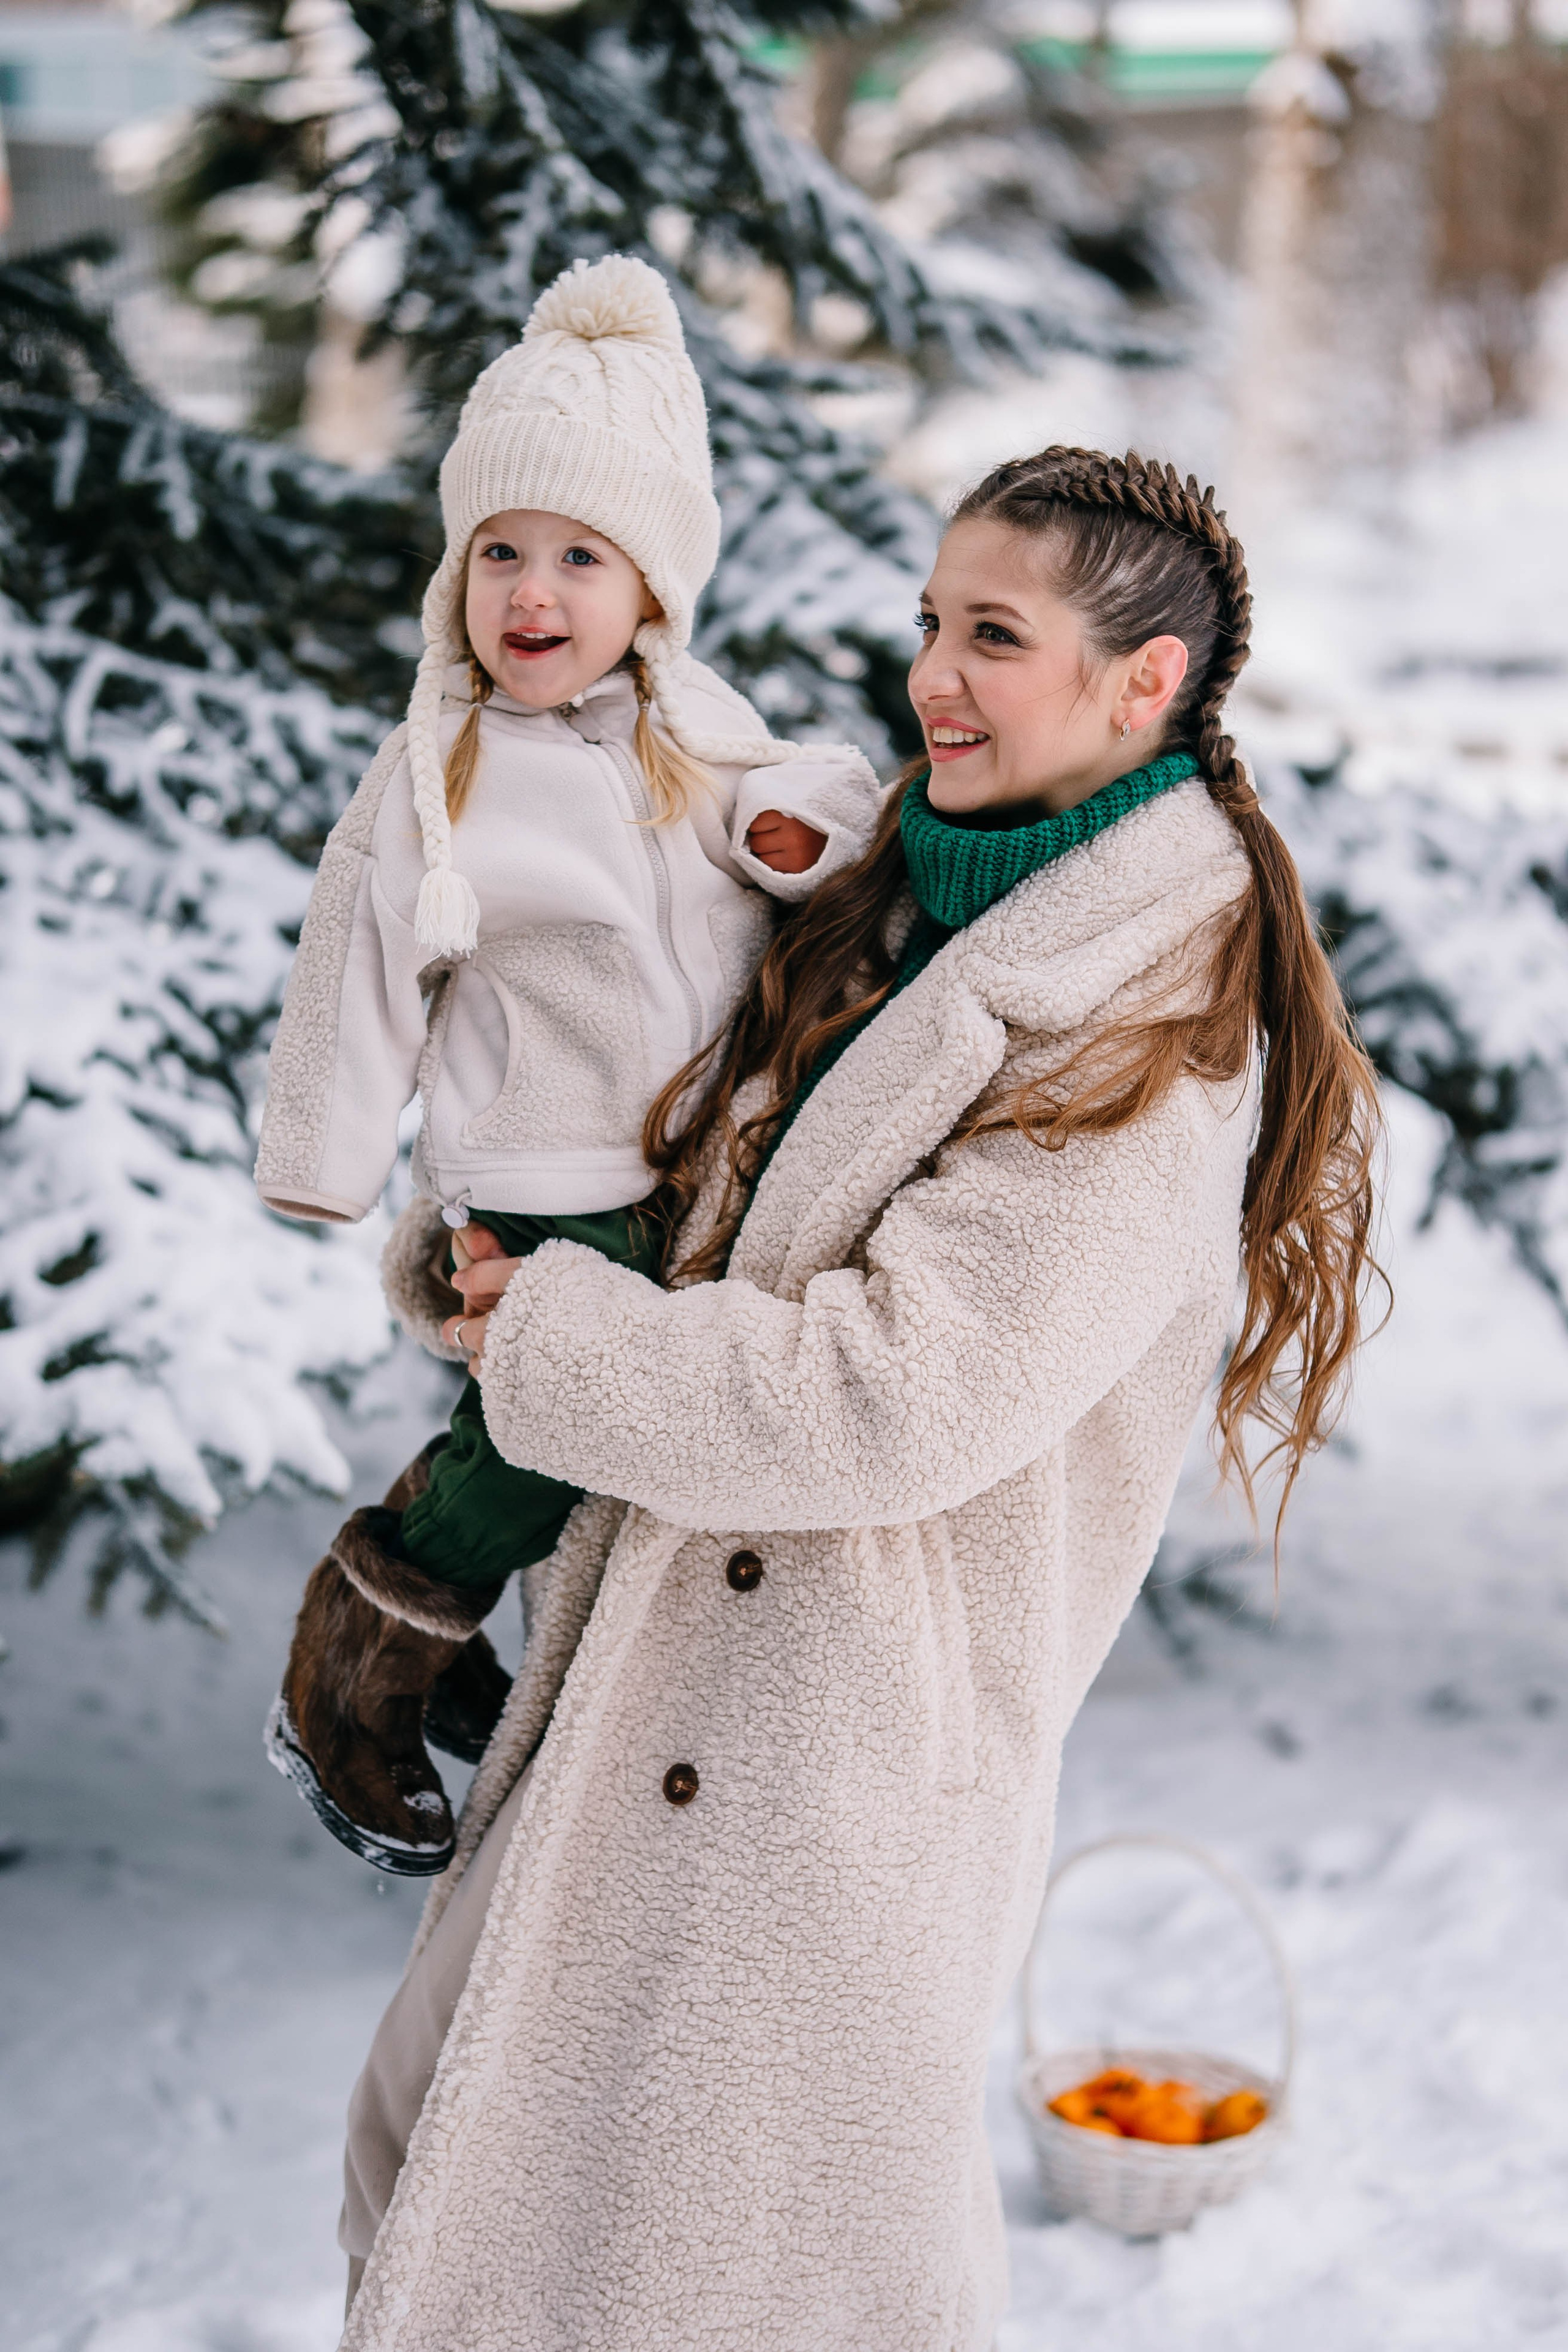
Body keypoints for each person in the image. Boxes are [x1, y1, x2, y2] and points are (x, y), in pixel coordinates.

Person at [334, 447, 1383, 2348]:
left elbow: (891, 1397)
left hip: (825, 1769)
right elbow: (656, 1142)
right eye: (929, 623)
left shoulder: (1156, 1022)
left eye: (995, 635)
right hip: (662, 1689)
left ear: (1145, 682)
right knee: (443, 2177)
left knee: (718, 2286)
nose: (932, 676)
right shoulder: (887, 891)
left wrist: (549, 1337)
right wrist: (496, 1261)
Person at [253, 254, 880, 1875]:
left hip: (682, 1162)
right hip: (535, 1168)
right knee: (547, 1438)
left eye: (580, 556)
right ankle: (356, 1663)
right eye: (500, 553)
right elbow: (359, 958)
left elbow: (789, 800)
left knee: (567, 1434)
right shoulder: (444, 767)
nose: (533, 590)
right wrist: (326, 1157)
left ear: (653, 586)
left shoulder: (690, 717)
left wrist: (800, 826)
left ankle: (437, 1616)